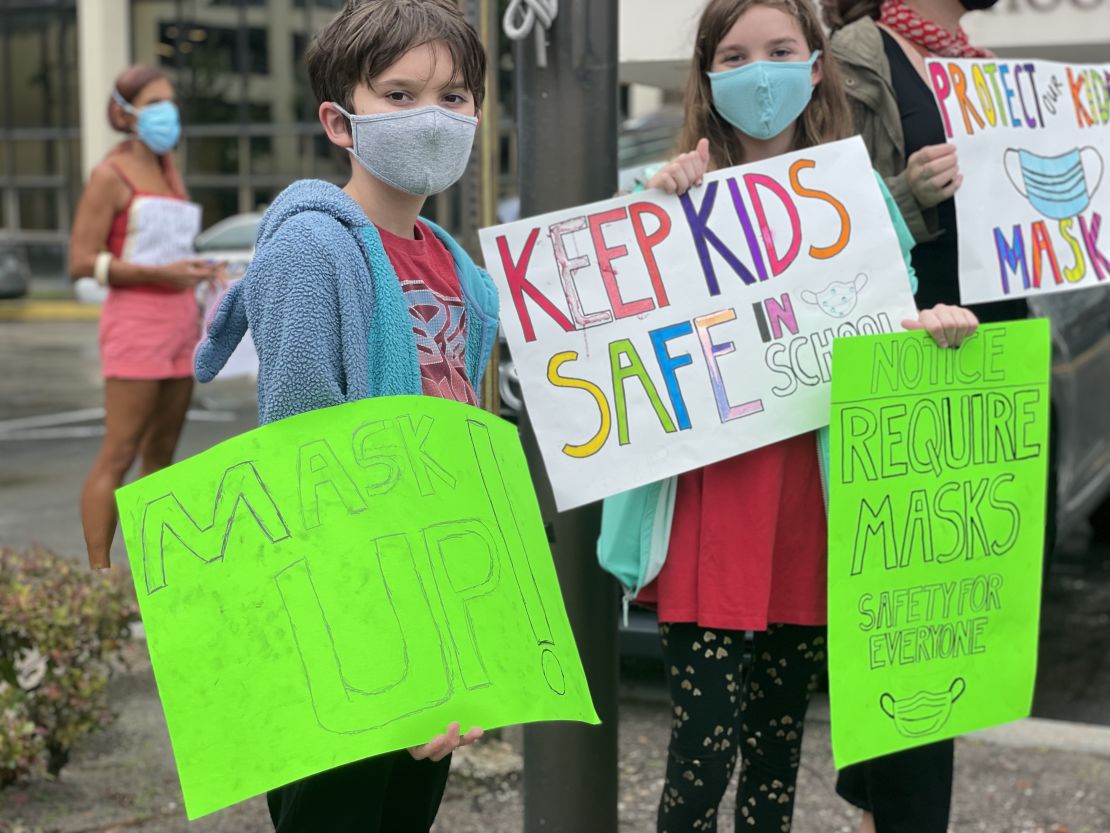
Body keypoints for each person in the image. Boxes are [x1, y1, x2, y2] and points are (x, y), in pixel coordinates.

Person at [599, 1, 979, 831]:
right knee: (700, 758)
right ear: (707, 77)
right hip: (712, 511)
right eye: (734, 56)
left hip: (809, 510)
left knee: (776, 762)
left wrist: (935, 330)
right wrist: (655, 208)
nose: (758, 71)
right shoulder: (661, 201)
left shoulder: (863, 204)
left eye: (778, 50)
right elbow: (614, 306)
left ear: (815, 68)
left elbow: (883, 330)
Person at [193, 1, 498, 831]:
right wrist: (390, 661)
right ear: (340, 120)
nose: (432, 118)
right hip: (342, 634)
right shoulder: (310, 251)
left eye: (455, 97)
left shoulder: (463, 272)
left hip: (429, 616)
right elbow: (305, 465)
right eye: (400, 96)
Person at [823, 3, 1032, 831]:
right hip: (918, 366)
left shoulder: (976, 62)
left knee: (953, 633)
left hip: (990, 366)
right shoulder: (856, 54)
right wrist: (911, 192)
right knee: (910, 631)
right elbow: (836, 230)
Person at [70, 65, 219, 572]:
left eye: (169, 102)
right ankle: (99, 575)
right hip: (136, 324)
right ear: (125, 113)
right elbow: (81, 261)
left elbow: (169, 249)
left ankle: (152, 576)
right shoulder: (110, 175)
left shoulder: (169, 169)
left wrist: (195, 270)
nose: (166, 113)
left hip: (182, 324)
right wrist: (161, 272)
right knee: (121, 450)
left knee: (162, 453)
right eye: (154, 103)